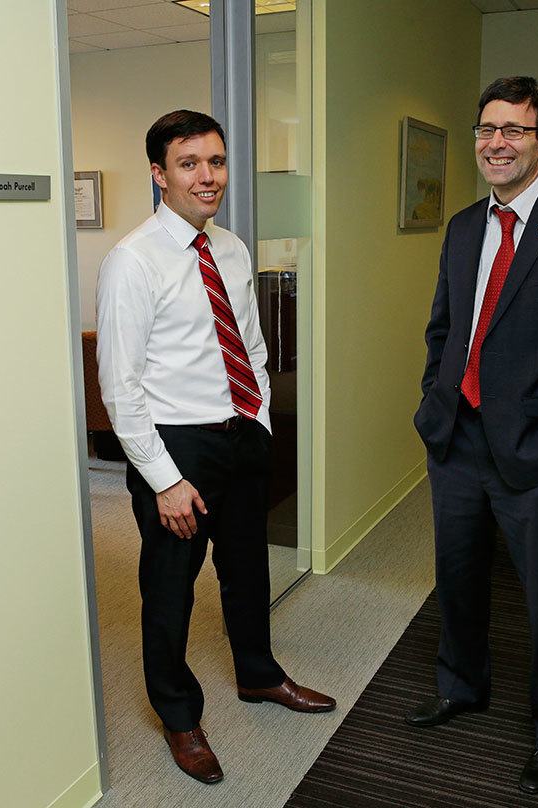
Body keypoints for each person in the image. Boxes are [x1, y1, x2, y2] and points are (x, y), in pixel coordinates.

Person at [96, 109, 335, 786]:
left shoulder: (229, 247)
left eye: (217, 161)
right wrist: (165, 480)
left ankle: (258, 674)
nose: (208, 177)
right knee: (170, 590)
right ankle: (179, 716)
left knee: (247, 570)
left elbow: (250, 343)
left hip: (240, 434)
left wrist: (258, 418)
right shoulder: (133, 261)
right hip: (176, 451)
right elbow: (119, 386)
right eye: (189, 164)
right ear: (159, 174)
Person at [407, 76, 538, 795]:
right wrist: (434, 399)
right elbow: (444, 328)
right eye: (487, 129)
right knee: (457, 578)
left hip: (535, 451)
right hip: (456, 440)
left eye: (514, 131)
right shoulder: (465, 226)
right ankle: (461, 686)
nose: (496, 143)